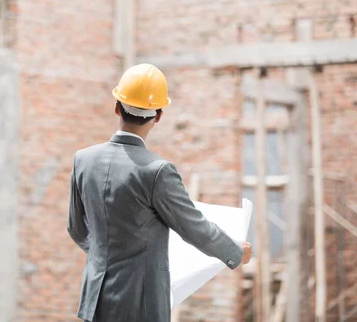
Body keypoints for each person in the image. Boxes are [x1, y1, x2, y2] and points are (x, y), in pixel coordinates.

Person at [67, 63, 252, 322]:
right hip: (140, 306)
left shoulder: (83, 160)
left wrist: (106, 258)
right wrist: (234, 251)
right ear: (159, 116)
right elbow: (193, 226)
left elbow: (77, 229)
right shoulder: (157, 171)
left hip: (95, 300)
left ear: (117, 106)